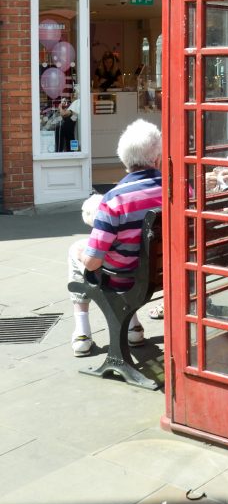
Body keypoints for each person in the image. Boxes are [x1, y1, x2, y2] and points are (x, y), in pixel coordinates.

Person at [67, 119, 162, 355]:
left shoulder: (114, 199)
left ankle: (82, 333)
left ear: (123, 158)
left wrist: (82, 253)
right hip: (166, 273)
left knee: (76, 251)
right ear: (157, 158)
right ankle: (133, 327)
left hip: (124, 277)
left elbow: (93, 262)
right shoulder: (178, 188)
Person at [55, 87, 80, 152]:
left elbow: (63, 114)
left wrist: (60, 107)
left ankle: (71, 151)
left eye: (73, 93)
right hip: (74, 131)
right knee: (71, 139)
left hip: (71, 130)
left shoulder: (77, 102)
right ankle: (73, 151)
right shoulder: (78, 103)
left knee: (69, 139)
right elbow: (72, 115)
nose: (72, 96)